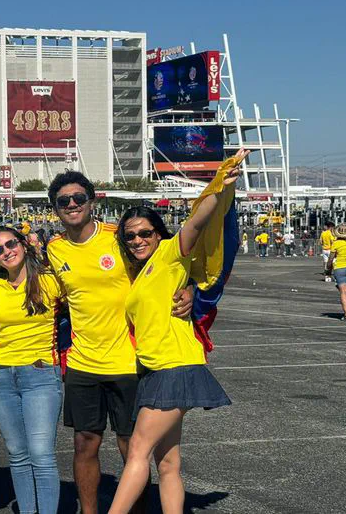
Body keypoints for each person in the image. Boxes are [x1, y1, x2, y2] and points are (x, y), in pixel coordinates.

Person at [45, 171, 194, 514]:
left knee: (132, 447)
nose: (71, 205)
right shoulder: (55, 249)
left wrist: (191, 289)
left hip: (130, 361)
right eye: (63, 201)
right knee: (84, 444)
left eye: (78, 198)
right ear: (55, 208)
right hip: (83, 362)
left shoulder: (119, 238)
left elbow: (171, 262)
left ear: (91, 201)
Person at [106, 151, 245, 514]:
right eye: (130, 236)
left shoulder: (170, 254)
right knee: (167, 463)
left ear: (158, 233)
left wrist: (219, 186)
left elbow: (197, 223)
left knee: (138, 450)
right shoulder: (138, 275)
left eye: (145, 233)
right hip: (155, 371)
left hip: (176, 367)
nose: (137, 240)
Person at [0, 226, 63, 514]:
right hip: (2, 375)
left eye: (11, 244)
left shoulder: (50, 282)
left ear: (24, 244)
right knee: (17, 455)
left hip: (40, 374)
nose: (7, 251)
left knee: (42, 455)